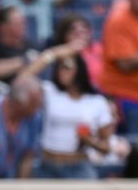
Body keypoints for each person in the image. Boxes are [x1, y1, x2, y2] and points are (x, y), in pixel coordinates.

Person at [17, 41, 115, 179]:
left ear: (80, 69)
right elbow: (22, 80)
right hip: (48, 165)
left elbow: (106, 147)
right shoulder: (50, 92)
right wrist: (53, 54)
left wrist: (89, 141)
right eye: (59, 67)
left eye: (67, 67)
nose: (62, 71)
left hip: (78, 167)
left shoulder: (97, 102)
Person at [54, 13, 104, 88]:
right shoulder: (60, 54)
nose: (80, 31)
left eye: (84, 27)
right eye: (73, 29)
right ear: (64, 35)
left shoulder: (101, 49)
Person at [0, 5, 39, 84]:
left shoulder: (30, 45)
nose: (24, 26)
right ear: (3, 27)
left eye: (23, 22)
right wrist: (24, 60)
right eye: (18, 23)